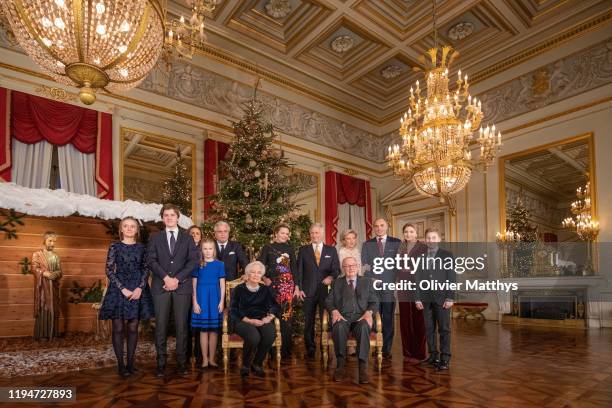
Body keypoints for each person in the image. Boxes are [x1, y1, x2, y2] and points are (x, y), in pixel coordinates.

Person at [148, 203, 199, 377]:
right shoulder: (155, 237)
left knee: (182, 327)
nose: (169, 218)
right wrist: (166, 278)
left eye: (172, 215)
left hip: (182, 287)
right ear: (163, 218)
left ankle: (181, 363)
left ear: (178, 217)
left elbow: (193, 262)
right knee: (160, 326)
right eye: (166, 215)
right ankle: (161, 363)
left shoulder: (188, 238)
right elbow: (151, 260)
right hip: (160, 287)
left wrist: (176, 279)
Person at [99, 217, 155, 376]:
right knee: (117, 327)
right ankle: (120, 365)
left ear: (137, 230)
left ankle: (130, 363)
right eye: (126, 226)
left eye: (132, 226)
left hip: (138, 288)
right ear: (121, 229)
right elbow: (109, 270)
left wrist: (140, 288)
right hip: (119, 289)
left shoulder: (142, 248)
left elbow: (146, 269)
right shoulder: (114, 247)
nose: (129, 228)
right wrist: (122, 288)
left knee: (132, 327)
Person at [325, 256, 379, 384]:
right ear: (343, 268)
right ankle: (340, 365)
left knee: (364, 326)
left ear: (358, 267)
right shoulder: (337, 283)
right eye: (347, 266)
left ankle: (362, 368)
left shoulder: (367, 281)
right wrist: (334, 311)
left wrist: (369, 313)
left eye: (353, 265)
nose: (351, 268)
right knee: (338, 327)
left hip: (361, 318)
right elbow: (328, 301)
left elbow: (375, 302)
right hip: (343, 317)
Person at [295, 223, 340, 359]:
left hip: (325, 292)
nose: (314, 235)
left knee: (326, 320)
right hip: (307, 292)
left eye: (317, 233)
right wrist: (300, 288)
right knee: (308, 321)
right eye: (312, 233)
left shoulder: (331, 250)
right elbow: (299, 271)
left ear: (322, 234)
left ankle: (324, 345)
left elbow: (336, 269)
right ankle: (310, 348)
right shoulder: (303, 250)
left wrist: (331, 277)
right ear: (310, 235)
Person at [230, 261, 280, 378]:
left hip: (261, 319)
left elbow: (275, 306)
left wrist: (269, 317)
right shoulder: (239, 289)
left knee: (270, 334)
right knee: (253, 336)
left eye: (258, 273)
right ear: (247, 274)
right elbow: (233, 310)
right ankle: (246, 365)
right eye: (252, 272)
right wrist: (249, 321)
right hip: (242, 320)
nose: (256, 275)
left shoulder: (265, 289)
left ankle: (257, 363)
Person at [415, 227, 455, 371]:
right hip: (426, 299)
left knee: (444, 329)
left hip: (442, 298)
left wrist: (450, 297)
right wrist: (417, 298)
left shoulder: (447, 255)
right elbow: (417, 279)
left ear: (438, 239)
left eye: (433, 237)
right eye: (428, 238)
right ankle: (433, 355)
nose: (431, 240)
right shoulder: (421, 257)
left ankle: (445, 358)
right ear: (425, 240)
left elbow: (452, 277)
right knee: (429, 328)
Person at [361, 218, 401, 359]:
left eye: (382, 225)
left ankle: (386, 349)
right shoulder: (367, 244)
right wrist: (371, 278)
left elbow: (400, 265)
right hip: (373, 287)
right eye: (376, 226)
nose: (379, 228)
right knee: (373, 317)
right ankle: (375, 345)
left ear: (387, 226)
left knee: (388, 318)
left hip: (390, 287)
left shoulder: (397, 242)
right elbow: (365, 266)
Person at [258, 223, 296, 359]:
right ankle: (272, 350)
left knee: (286, 317)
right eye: (282, 233)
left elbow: (294, 268)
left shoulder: (290, 248)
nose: (285, 235)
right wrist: (264, 277)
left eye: (287, 233)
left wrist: (296, 286)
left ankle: (285, 350)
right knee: (272, 315)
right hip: (272, 286)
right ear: (276, 233)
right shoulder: (267, 248)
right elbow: (260, 265)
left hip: (288, 286)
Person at [191, 238, 225, 369]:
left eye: (210, 248)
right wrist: (195, 303)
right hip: (202, 299)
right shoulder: (198, 264)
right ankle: (204, 359)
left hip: (215, 299)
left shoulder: (219, 264)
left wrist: (221, 302)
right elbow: (193, 285)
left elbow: (222, 285)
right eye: (205, 248)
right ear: (201, 250)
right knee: (204, 331)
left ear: (214, 250)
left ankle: (212, 359)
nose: (208, 251)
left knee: (214, 331)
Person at [397, 223, 428, 364]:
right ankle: (407, 352)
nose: (408, 234)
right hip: (402, 285)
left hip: (418, 286)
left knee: (418, 318)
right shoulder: (400, 247)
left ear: (416, 233)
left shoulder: (423, 248)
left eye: (411, 231)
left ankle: (420, 353)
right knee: (404, 319)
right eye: (406, 232)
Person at [32, 231, 63, 340]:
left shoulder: (56, 256)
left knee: (53, 308)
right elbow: (34, 268)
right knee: (44, 307)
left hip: (53, 287)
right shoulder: (37, 254)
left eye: (54, 241)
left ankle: (53, 333)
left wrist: (56, 274)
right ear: (44, 241)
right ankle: (42, 334)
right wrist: (45, 273)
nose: (52, 244)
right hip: (43, 287)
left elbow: (60, 271)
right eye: (50, 241)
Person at [187, 225, 203, 367]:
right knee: (186, 322)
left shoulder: (205, 250)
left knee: (199, 322)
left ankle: (199, 354)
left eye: (197, 233)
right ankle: (186, 354)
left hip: (202, 290)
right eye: (192, 233)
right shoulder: (184, 249)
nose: (194, 235)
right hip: (186, 288)